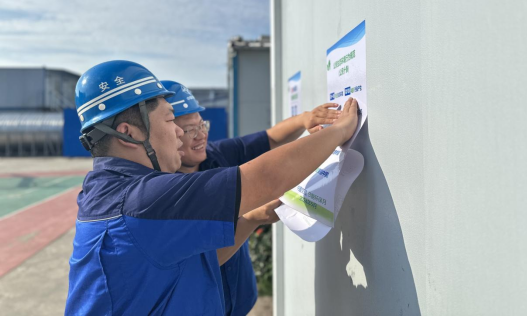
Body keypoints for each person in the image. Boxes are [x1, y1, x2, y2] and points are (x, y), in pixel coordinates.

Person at [65, 60, 358, 316]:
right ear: (127, 134)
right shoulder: (142, 202)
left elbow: (203, 258)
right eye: (170, 120)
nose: (180, 133)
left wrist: (252, 218)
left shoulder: (110, 192)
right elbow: (267, 177)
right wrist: (341, 130)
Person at [161, 80, 341, 315]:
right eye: (189, 130)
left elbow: (271, 139)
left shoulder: (215, 156)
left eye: (202, 126)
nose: (200, 136)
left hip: (240, 300)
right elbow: (201, 261)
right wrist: (251, 219)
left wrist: (305, 118)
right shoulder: (162, 192)